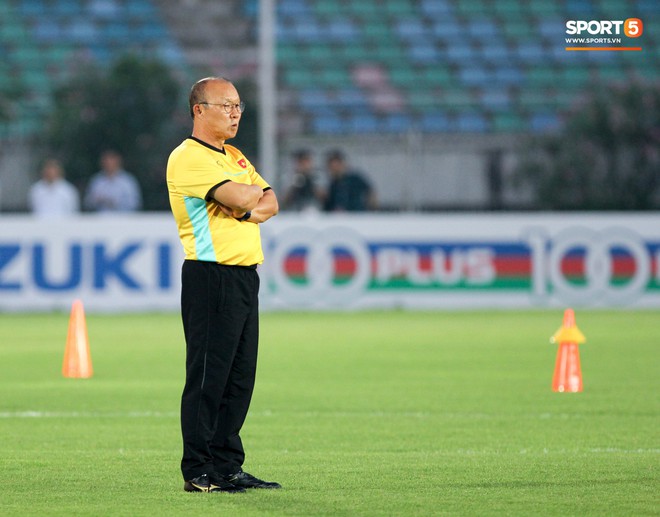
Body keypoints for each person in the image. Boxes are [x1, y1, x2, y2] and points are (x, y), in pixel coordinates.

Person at [166, 77, 280, 494]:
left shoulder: (232, 154)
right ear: (199, 110)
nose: (235, 113)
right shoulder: (188, 157)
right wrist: (248, 199)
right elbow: (245, 195)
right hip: (210, 275)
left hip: (244, 275)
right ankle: (198, 470)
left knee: (238, 378)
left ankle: (227, 465)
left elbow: (269, 200)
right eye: (225, 105)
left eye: (238, 106)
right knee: (208, 377)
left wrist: (247, 206)